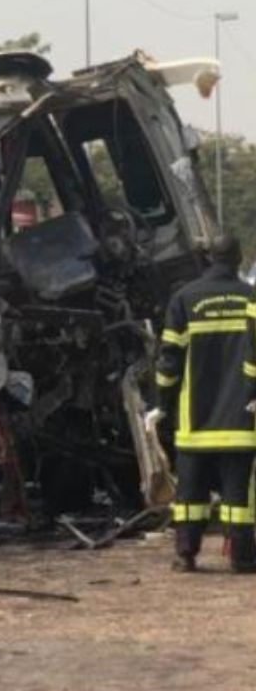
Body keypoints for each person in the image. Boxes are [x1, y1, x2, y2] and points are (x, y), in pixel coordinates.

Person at [156, 234, 256, 573]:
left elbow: (169, 360)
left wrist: (162, 404)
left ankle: (186, 555)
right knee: (238, 496)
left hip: (194, 420)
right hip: (241, 420)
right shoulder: (251, 297)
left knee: (190, 494)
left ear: (208, 257)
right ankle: (242, 558)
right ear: (239, 257)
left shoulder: (185, 299)